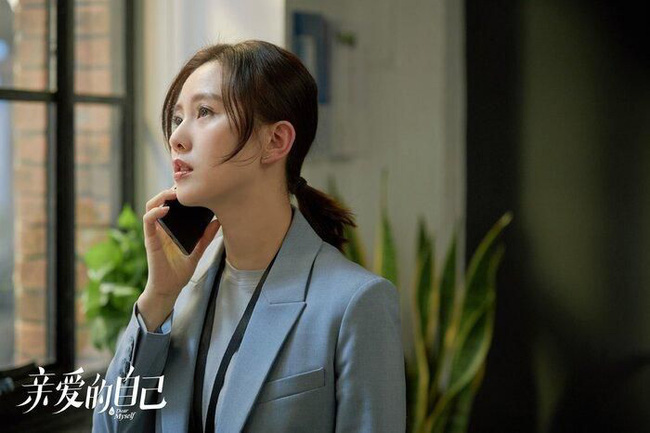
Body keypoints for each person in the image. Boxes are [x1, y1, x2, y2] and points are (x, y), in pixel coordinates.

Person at [92, 40, 406, 433]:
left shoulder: (354, 304)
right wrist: (158, 297)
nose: (177, 138)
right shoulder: (182, 299)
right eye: (177, 118)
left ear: (276, 141)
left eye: (204, 112)